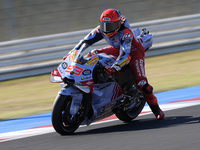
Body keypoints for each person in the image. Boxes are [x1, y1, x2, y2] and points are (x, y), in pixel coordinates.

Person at [64, 9, 164, 120]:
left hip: (134, 52)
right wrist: (71, 53)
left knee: (143, 85)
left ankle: (157, 110)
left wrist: (114, 68)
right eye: (104, 25)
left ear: (118, 24)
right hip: (118, 49)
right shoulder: (100, 30)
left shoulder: (125, 33)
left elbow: (125, 54)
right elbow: (84, 42)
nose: (106, 29)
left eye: (110, 26)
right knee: (93, 54)